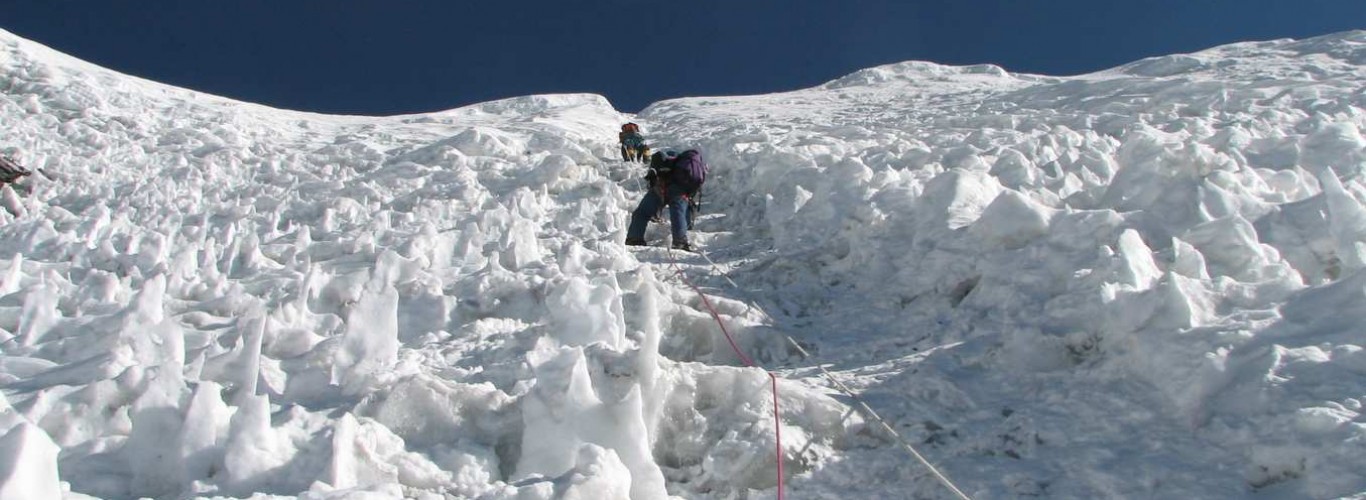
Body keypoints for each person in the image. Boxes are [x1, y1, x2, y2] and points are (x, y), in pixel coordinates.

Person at [625, 149, 707, 251]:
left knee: (642, 212)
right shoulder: (688, 169)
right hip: (680, 191)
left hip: (660, 187)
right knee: (678, 214)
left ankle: (634, 238)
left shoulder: (664, 163)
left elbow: (652, 179)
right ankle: (680, 242)